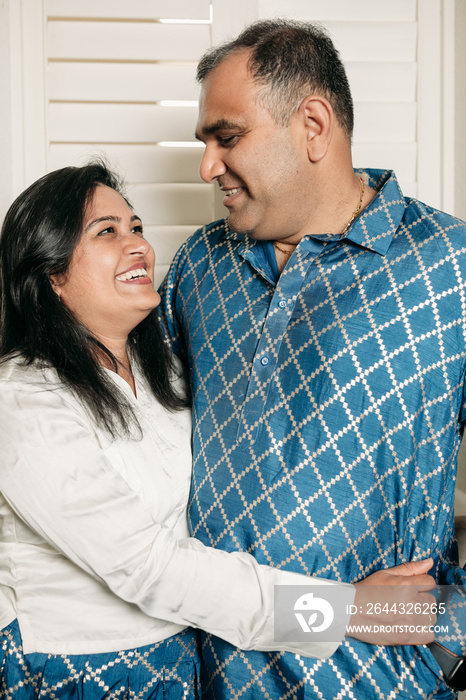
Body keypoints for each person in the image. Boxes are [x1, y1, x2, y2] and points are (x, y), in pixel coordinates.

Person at [159, 19, 466, 699]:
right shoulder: (197, 270)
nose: (208, 167)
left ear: (314, 125)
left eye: (227, 137)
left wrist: (454, 633)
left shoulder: (453, 269)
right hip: (207, 680)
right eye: (204, 143)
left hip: (376, 685)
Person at [0, 161, 368, 699]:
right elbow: (147, 566)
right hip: (72, 672)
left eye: (137, 228)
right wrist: (347, 613)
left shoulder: (164, 375)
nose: (139, 247)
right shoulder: (20, 399)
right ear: (52, 274)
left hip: (179, 661)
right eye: (107, 232)